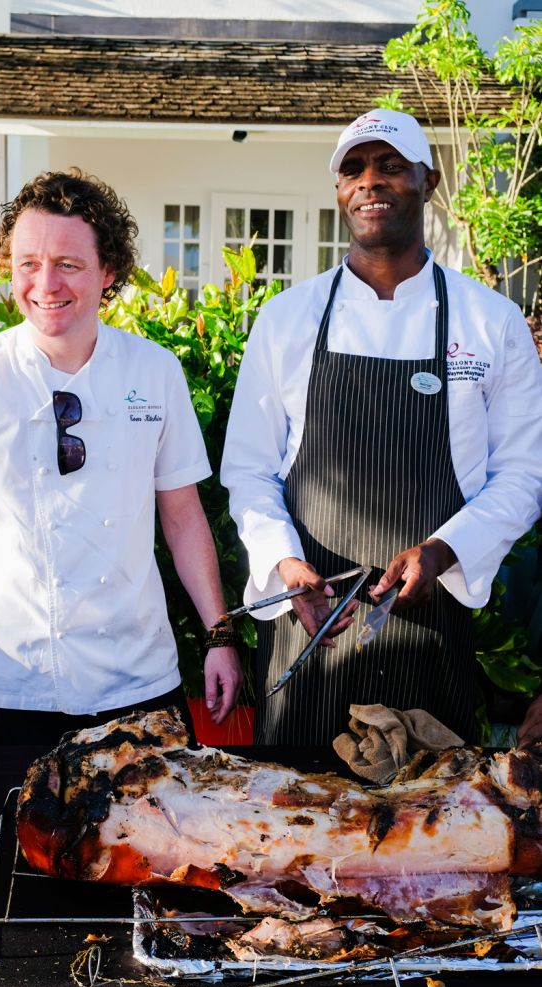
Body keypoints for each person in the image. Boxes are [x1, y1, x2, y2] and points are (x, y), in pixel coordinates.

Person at [220, 109, 542, 747]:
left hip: (432, 631)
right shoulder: (285, 321)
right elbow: (250, 471)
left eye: (391, 166)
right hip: (310, 628)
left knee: (429, 828)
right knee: (291, 826)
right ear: (339, 191)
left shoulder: (492, 323)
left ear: (430, 179)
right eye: (354, 170)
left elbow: (524, 474)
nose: (371, 182)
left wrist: (446, 549)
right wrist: (286, 565)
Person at [0, 169, 242, 753]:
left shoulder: (154, 372)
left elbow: (184, 515)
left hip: (139, 683)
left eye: (68, 264)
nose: (45, 283)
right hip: (8, 689)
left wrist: (220, 634)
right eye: (28, 263)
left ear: (108, 272)